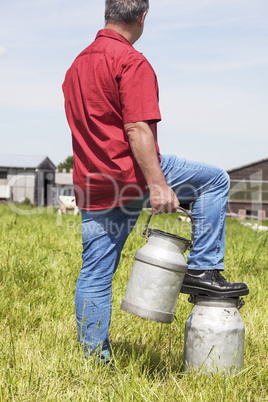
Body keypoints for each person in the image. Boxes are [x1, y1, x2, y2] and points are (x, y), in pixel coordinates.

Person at [62, 0, 249, 362]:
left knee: (95, 273)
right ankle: (203, 269)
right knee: (214, 181)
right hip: (130, 175)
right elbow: (136, 128)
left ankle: (93, 361)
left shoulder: (76, 66)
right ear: (143, 17)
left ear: (107, 13)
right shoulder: (131, 61)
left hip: (93, 183)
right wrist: (158, 184)